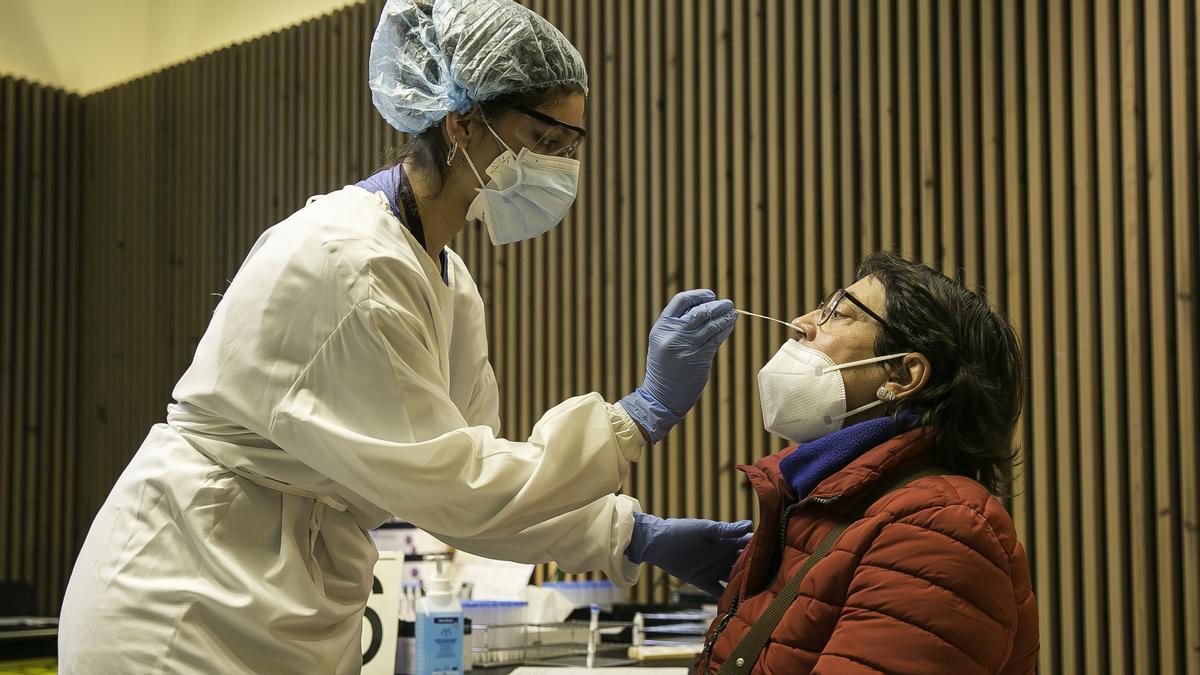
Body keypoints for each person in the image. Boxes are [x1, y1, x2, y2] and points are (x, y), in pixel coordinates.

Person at [59, 1, 746, 671]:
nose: (562, 167)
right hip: (182, 602)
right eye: (545, 142)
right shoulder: (349, 261)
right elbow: (459, 486)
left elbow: (477, 495)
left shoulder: (447, 279)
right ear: (462, 122)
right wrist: (637, 416)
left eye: (571, 148)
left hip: (281, 597)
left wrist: (632, 534)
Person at [698, 251, 1039, 674]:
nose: (801, 323)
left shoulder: (939, 527)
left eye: (836, 314)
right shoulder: (825, 503)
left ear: (903, 376)